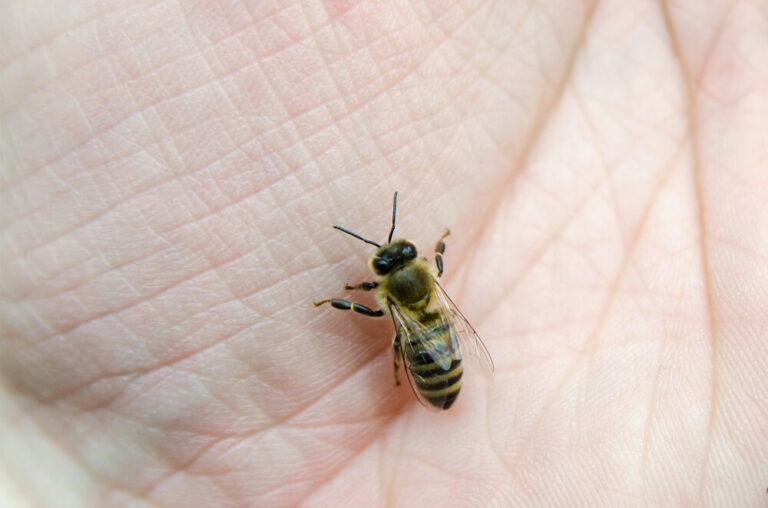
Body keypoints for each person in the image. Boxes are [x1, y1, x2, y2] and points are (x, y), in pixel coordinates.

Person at [2, 1, 767, 505]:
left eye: (395, 261)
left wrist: (337, 308)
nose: (393, 264)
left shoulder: (394, 297)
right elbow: (411, 308)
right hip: (439, 356)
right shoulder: (424, 293)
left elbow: (376, 311)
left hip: (430, 364)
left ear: (399, 276)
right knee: (415, 342)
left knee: (401, 342)